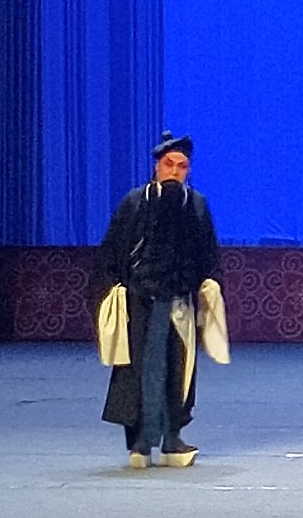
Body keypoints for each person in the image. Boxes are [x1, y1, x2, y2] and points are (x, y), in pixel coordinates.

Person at [96, 130, 227, 468]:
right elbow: (112, 249)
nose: (174, 171)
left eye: (181, 166)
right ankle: (140, 442)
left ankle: (172, 438)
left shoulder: (195, 204)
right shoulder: (136, 202)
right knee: (142, 368)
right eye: (169, 164)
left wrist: (209, 283)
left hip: (179, 300)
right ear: (157, 166)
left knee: (176, 368)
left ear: (188, 170)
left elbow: (208, 253)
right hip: (140, 300)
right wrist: (114, 288)